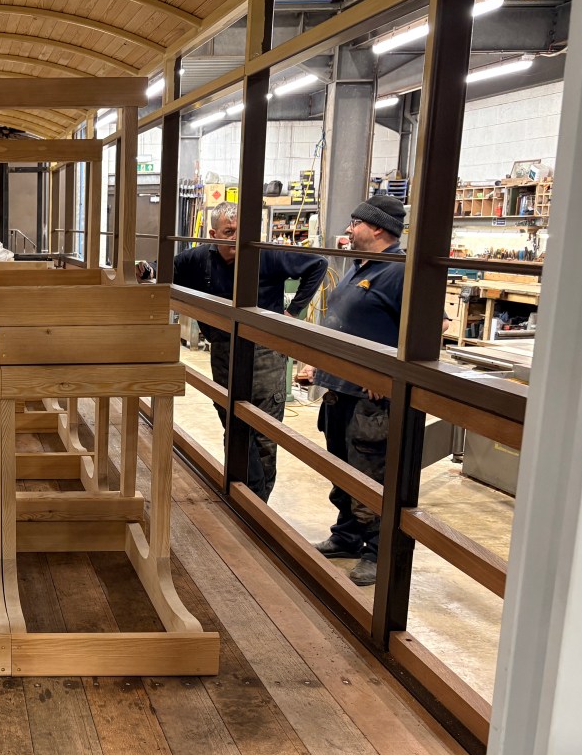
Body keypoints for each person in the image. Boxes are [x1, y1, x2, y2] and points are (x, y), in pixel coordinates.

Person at [173, 202, 327, 501]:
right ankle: (238, 494)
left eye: (241, 233)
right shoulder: (197, 259)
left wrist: (292, 313)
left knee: (264, 432)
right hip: (223, 351)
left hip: (264, 355)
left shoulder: (264, 254)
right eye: (229, 233)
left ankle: (258, 504)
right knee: (231, 422)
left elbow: (317, 264)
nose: (236, 241)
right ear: (213, 233)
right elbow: (167, 274)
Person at [299, 194, 408, 587]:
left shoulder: (399, 271)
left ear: (377, 227)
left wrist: (387, 373)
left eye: (355, 222)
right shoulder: (357, 267)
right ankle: (346, 536)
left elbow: (435, 328)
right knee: (342, 468)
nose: (348, 229)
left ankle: (378, 553)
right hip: (338, 390)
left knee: (371, 475)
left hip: (370, 401)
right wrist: (318, 363)